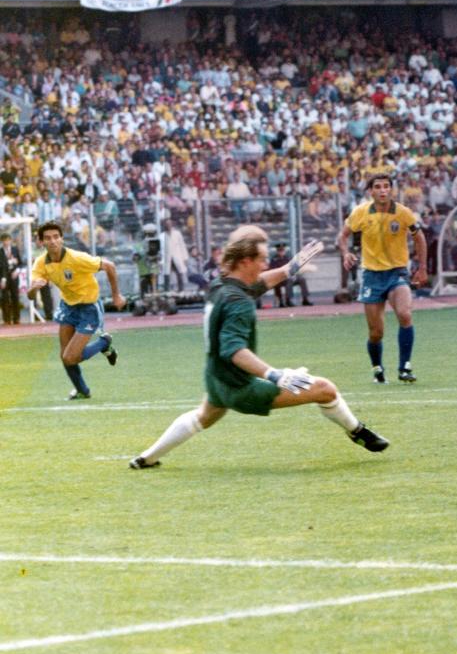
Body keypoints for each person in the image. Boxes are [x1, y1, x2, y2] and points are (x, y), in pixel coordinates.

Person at [128, 232, 387, 470]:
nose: (265, 264)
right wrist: (274, 374)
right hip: (240, 388)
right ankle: (358, 432)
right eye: (261, 259)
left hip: (216, 379)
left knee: (202, 417)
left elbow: (259, 282)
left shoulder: (221, 285)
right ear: (245, 262)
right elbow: (234, 350)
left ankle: (146, 458)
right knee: (326, 390)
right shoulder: (239, 303)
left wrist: (289, 268)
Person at [338, 172, 429, 384]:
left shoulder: (403, 213)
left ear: (391, 189)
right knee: (376, 332)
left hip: (397, 272)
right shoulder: (361, 212)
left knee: (405, 315)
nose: (383, 190)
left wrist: (422, 267)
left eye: (386, 186)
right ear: (371, 191)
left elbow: (419, 237)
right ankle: (378, 369)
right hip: (371, 275)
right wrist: (345, 253)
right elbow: (342, 236)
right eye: (378, 186)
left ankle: (404, 367)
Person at [27, 221, 125, 400]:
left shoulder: (77, 258)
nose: (53, 241)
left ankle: (105, 343)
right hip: (68, 307)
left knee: (71, 357)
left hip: (89, 307)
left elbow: (109, 266)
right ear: (41, 242)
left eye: (56, 237)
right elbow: (30, 296)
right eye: (48, 238)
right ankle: (82, 391)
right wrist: (34, 288)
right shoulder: (41, 263)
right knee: (65, 356)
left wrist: (116, 296)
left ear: (62, 239)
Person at [0, 232, 21, 324]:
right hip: (3, 278)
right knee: (5, 298)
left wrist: (17, 270)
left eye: (7, 240)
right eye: (4, 241)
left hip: (14, 277)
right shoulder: (0, 251)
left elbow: (20, 262)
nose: (6, 242)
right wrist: (3, 279)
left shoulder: (15, 249)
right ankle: (7, 319)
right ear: (1, 241)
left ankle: (16, 318)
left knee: (15, 297)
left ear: (10, 241)